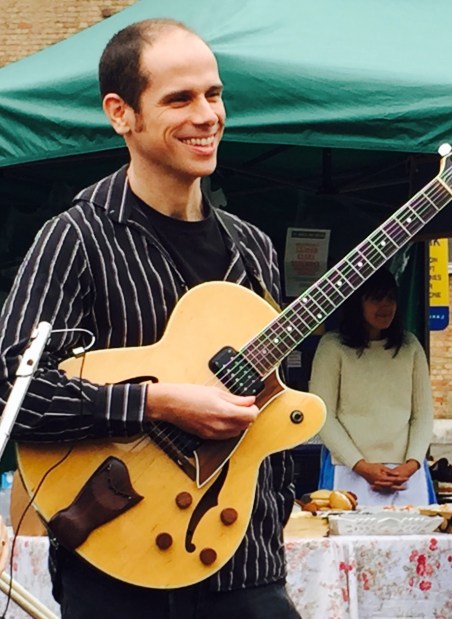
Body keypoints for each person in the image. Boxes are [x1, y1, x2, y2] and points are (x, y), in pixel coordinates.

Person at [0, 19, 299, 618]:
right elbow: (13, 392)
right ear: (122, 114)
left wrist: (280, 492)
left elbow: (273, 398)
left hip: (245, 561)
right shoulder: (76, 238)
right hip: (122, 567)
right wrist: (156, 403)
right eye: (179, 99)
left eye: (214, 94)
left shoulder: (253, 248)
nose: (207, 115)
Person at [310, 269, 434, 507]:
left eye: (391, 298)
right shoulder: (333, 346)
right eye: (376, 299)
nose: (385, 306)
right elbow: (323, 416)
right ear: (357, 303)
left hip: (406, 475)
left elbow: (423, 415)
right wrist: (361, 466)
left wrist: (411, 465)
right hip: (348, 470)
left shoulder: (410, 346)